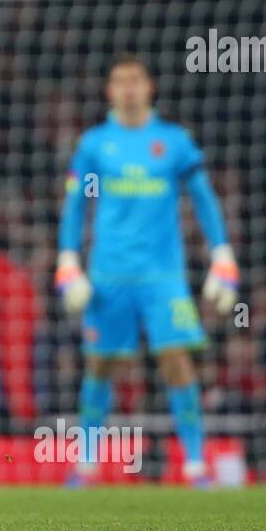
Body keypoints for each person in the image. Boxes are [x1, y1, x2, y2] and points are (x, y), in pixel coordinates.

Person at [54, 55, 239, 487]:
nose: (128, 89)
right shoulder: (94, 144)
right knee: (100, 365)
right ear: (109, 91)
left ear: (149, 87)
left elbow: (204, 199)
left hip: (163, 277)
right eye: (120, 81)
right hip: (108, 275)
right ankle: (86, 463)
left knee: (177, 361)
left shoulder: (174, 142)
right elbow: (75, 204)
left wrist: (223, 253)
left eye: (135, 80)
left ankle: (194, 463)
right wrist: (67, 260)